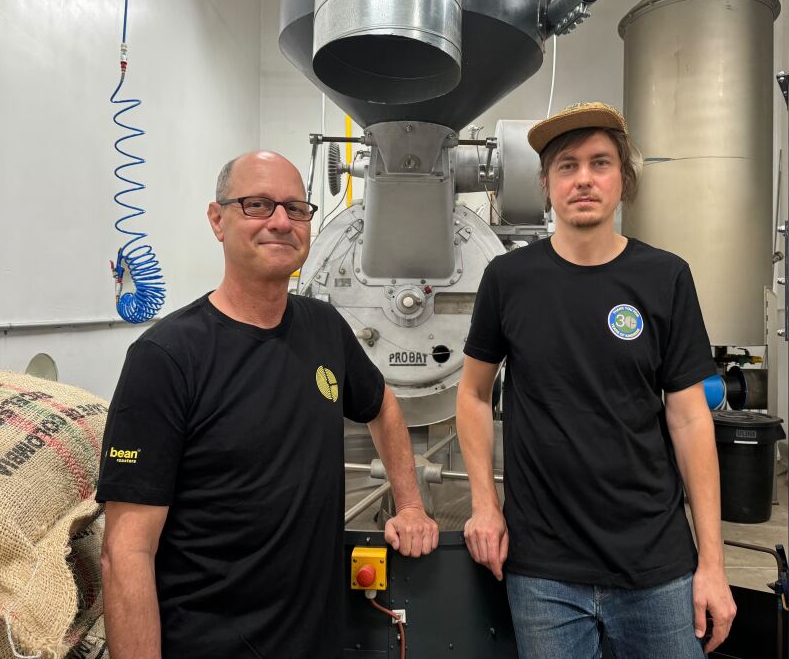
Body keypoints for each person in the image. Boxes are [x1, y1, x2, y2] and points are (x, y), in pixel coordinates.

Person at [97, 151, 438, 659]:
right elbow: (124, 553)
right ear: (218, 220)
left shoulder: (324, 328)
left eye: (296, 208)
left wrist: (411, 505)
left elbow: (381, 403)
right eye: (257, 205)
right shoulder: (166, 357)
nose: (280, 222)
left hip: (317, 642)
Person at [456, 103, 736, 658]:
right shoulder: (508, 279)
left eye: (599, 162)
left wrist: (713, 564)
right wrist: (484, 504)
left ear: (623, 180)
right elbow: (472, 393)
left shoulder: (665, 277)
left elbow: (688, 419)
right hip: (543, 569)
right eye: (566, 165)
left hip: (655, 564)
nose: (583, 178)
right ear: (545, 184)